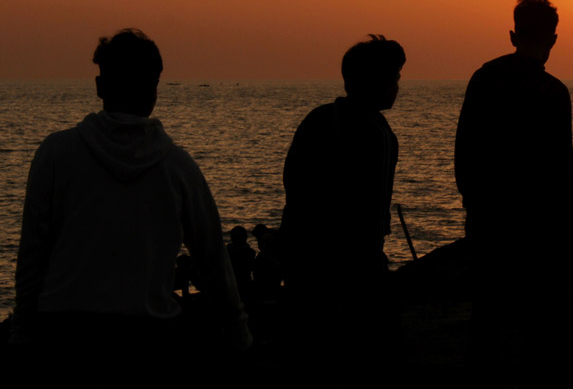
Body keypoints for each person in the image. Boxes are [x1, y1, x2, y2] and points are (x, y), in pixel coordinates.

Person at [10, 29, 250, 363]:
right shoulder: (179, 168)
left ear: (100, 86)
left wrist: (22, 327)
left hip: (63, 334)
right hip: (147, 338)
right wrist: (240, 338)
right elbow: (213, 263)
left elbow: (32, 253)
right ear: (154, 91)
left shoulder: (55, 154)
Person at [454, 0, 573, 381]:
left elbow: (465, 148)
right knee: (539, 311)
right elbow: (559, 165)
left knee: (486, 309)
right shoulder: (555, 92)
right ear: (553, 39)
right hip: (539, 219)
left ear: (512, 34)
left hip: (490, 211)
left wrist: (474, 201)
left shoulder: (485, 77)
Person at [279, 34, 406, 363]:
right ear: (372, 81)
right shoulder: (367, 131)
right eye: (392, 78)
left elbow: (294, 186)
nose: (396, 86)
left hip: (328, 262)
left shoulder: (344, 123)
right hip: (340, 264)